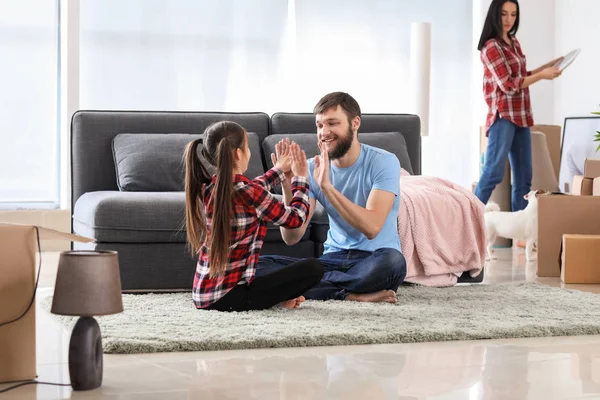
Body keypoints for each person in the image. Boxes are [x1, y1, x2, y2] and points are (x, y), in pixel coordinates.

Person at [259, 92, 407, 304]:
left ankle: (309, 286)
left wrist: (327, 187)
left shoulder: (383, 162)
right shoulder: (310, 168)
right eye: (319, 125)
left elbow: (372, 227)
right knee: (257, 264)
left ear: (355, 123)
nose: (324, 132)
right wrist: (287, 185)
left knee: (394, 263)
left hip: (374, 258)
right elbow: (292, 237)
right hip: (332, 259)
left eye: (332, 123)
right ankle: (348, 294)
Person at [184, 121, 324, 312]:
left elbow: (251, 190)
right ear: (238, 154)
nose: (249, 153)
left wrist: (279, 171)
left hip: (204, 295)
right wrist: (301, 178)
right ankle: (277, 298)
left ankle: (279, 297)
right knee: (314, 269)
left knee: (266, 267)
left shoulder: (208, 187)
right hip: (230, 298)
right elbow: (296, 218)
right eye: (248, 148)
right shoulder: (248, 193)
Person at [474, 0, 562, 212]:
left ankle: (521, 234)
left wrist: (545, 68)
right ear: (495, 14)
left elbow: (521, 76)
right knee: (493, 172)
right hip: (503, 115)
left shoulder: (512, 41)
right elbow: (508, 84)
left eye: (513, 14)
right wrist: (542, 76)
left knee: (524, 177)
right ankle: (466, 221)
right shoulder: (491, 46)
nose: (509, 20)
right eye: (504, 14)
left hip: (521, 115)